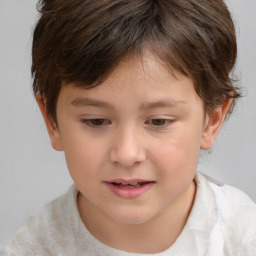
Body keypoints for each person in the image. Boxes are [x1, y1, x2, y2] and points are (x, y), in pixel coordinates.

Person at [7, 0, 256, 255]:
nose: (126, 154)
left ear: (211, 121)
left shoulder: (243, 239)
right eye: (96, 121)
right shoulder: (36, 248)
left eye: (159, 121)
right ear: (52, 120)